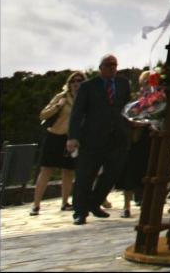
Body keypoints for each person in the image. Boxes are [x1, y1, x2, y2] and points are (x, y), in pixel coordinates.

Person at [67, 54, 132, 225]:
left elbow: (127, 107)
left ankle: (94, 203)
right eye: (108, 65)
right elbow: (77, 112)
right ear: (101, 67)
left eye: (115, 65)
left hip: (117, 137)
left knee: (113, 173)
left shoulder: (123, 84)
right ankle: (80, 212)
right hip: (92, 137)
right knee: (85, 175)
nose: (112, 68)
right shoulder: (88, 86)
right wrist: (73, 137)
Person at [30, 71, 85, 216]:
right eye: (73, 81)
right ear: (69, 83)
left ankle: (65, 202)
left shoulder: (85, 99)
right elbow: (43, 114)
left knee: (68, 171)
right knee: (46, 170)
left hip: (71, 139)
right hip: (54, 136)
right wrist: (57, 107)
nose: (76, 83)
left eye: (79, 81)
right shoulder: (61, 97)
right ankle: (35, 205)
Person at [115, 70, 153, 218]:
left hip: (149, 139)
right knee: (129, 174)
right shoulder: (134, 99)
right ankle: (126, 206)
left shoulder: (158, 100)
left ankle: (146, 204)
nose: (148, 86)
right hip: (134, 140)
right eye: (146, 82)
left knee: (146, 173)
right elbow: (126, 116)